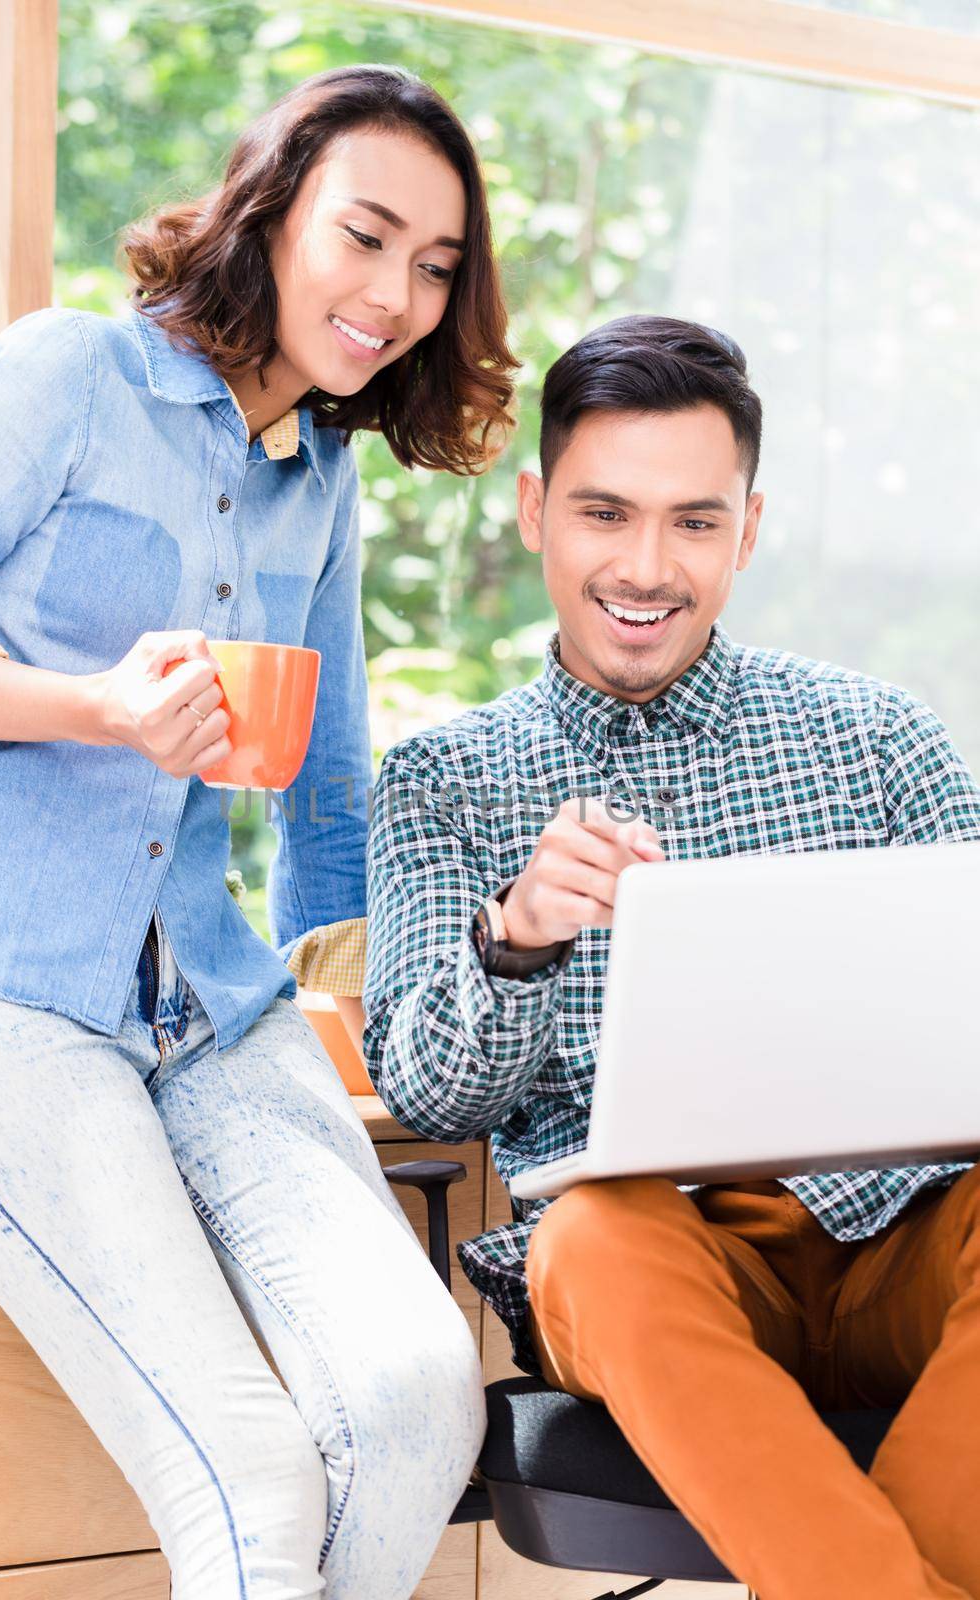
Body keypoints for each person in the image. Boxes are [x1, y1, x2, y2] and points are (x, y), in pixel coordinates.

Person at [0, 65, 516, 1600]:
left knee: (412, 1401)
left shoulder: (318, 478)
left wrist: (379, 1007)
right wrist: (94, 708)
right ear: (269, 213)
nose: (395, 295)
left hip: (212, 1004)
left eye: (434, 268)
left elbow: (326, 789)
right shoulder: (67, 378)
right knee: (248, 1475)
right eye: (365, 236)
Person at [364, 314, 980, 1600]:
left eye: (695, 522)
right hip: (654, 1277)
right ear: (535, 512)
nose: (647, 565)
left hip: (899, 1249)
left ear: (746, 531)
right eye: (605, 512)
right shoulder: (446, 779)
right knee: (588, 1233)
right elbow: (426, 1092)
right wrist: (517, 936)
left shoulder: (878, 739)